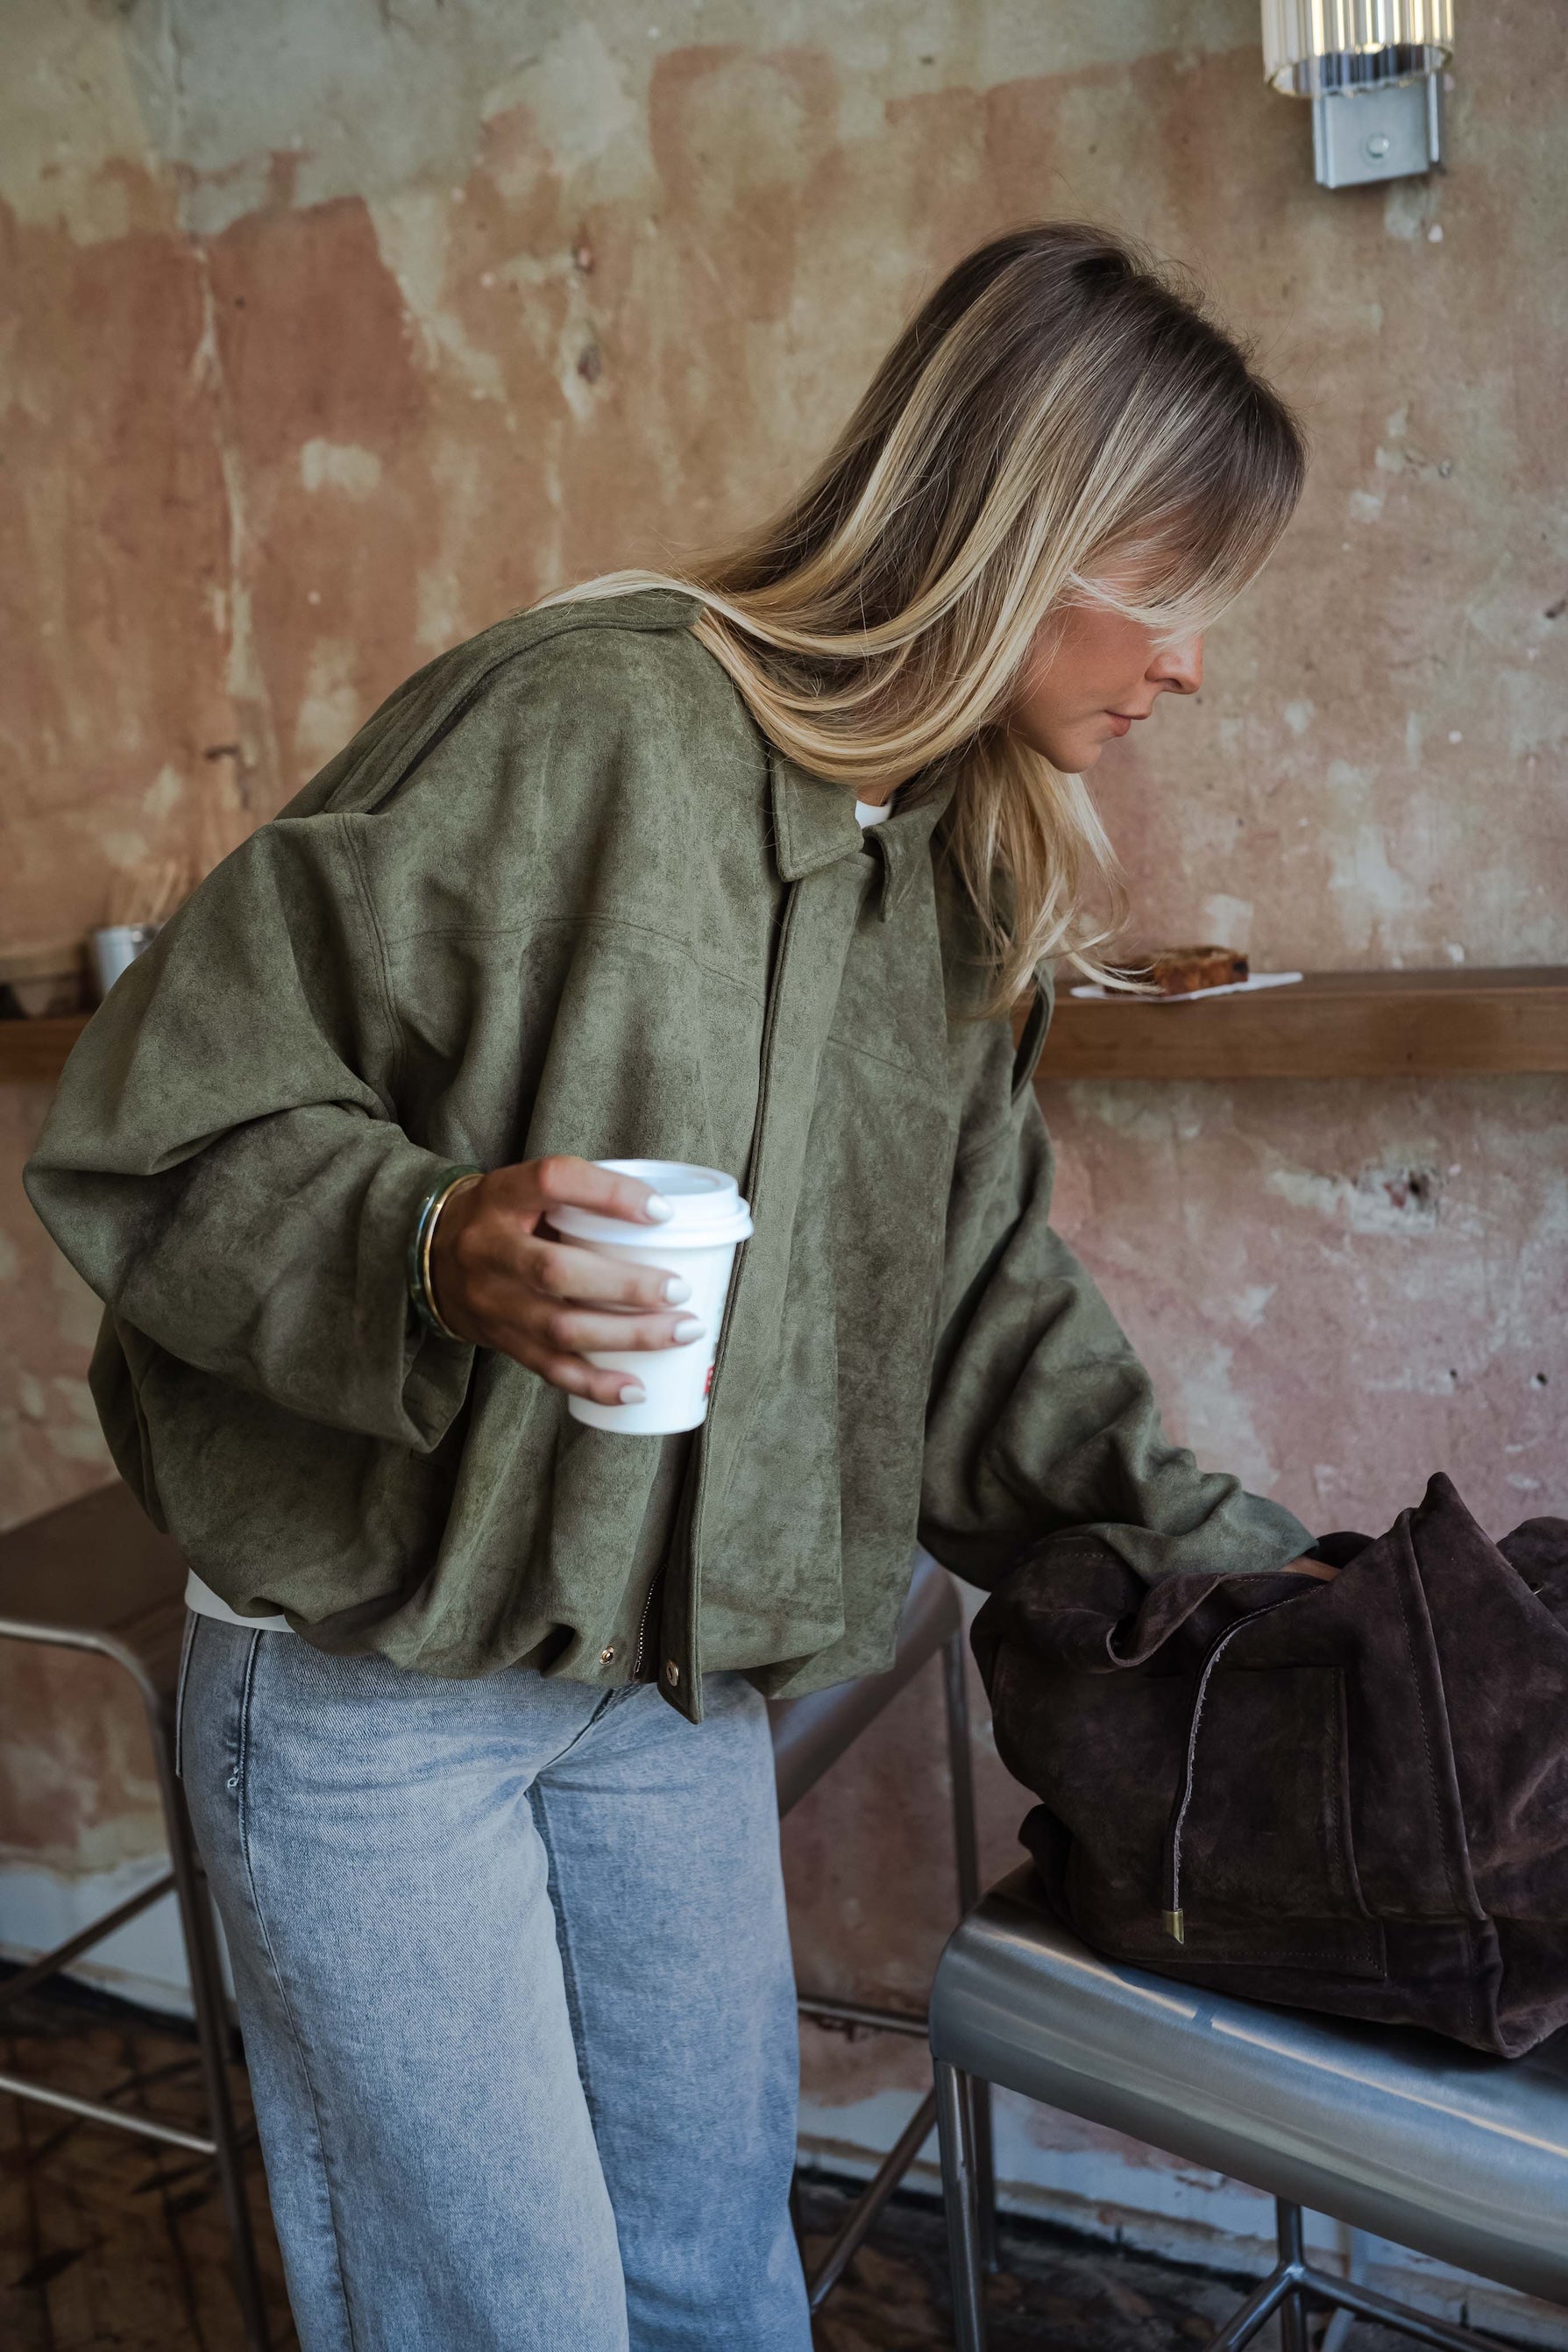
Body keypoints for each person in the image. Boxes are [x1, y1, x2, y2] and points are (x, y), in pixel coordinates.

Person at [25, 222, 1334, 2352]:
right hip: (377, 1698)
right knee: (505, 2323)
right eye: (1166, 593)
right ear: (1024, 533)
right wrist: (430, 1243)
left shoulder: (957, 860)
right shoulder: (577, 718)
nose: (1185, 666)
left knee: (720, 2292)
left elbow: (979, 1313)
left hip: (670, 1690)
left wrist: (1269, 1590)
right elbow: (163, 1115)